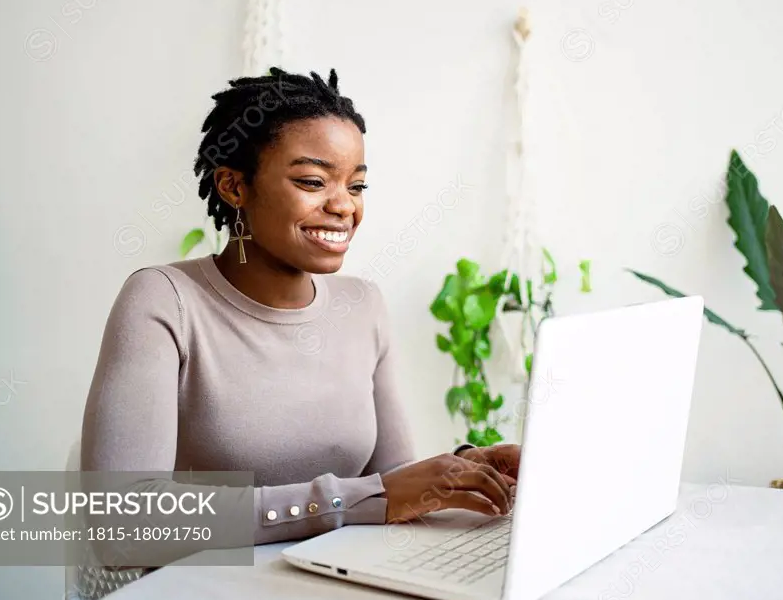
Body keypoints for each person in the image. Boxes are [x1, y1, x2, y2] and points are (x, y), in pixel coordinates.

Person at [80, 67, 521, 556]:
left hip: (343, 585)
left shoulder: (363, 306)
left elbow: (390, 487)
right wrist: (349, 501)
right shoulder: (165, 301)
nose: (343, 207)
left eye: (356, 187)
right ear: (233, 187)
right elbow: (123, 524)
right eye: (313, 181)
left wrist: (466, 469)